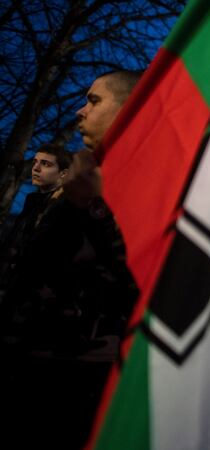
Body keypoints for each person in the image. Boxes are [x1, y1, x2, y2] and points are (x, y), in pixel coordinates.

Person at [0, 70, 141, 450]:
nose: (80, 111)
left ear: (130, 109)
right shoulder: (68, 189)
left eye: (94, 101)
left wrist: (88, 208)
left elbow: (135, 282)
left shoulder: (137, 191)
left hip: (73, 380)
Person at [0, 144, 72, 282]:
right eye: (35, 162)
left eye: (45, 164)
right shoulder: (32, 202)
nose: (36, 168)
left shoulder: (66, 207)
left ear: (63, 173)